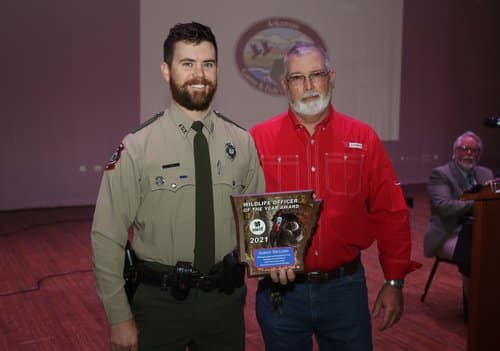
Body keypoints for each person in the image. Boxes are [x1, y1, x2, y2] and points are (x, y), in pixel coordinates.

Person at [91, 22, 265, 351]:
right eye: (187, 63)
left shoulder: (242, 143)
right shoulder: (137, 147)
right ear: (166, 70)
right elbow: (106, 235)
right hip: (159, 306)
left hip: (224, 304)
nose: (199, 74)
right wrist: (118, 316)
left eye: (208, 64)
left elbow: (256, 226)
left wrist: (277, 262)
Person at [249, 42, 420, 351]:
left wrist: (395, 280)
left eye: (317, 75)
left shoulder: (362, 138)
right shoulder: (258, 139)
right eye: (298, 78)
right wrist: (260, 255)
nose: (309, 85)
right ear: (284, 84)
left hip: (344, 291)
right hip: (281, 293)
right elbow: (244, 215)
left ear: (332, 77)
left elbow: (391, 211)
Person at [424, 131, 494, 305]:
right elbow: (444, 207)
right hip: (449, 233)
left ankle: (490, 303)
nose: (469, 153)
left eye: (474, 150)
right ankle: (474, 309)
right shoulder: (440, 174)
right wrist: (477, 203)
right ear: (455, 152)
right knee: (474, 252)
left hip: (481, 231)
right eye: (464, 149)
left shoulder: (486, 173)